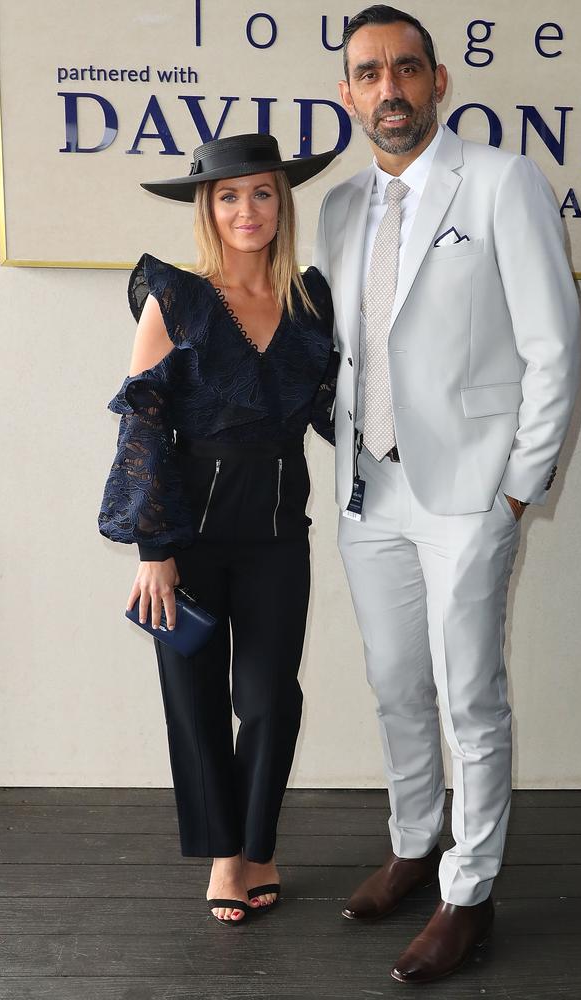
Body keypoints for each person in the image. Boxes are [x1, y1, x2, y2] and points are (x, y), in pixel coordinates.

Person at [314, 4, 580, 984]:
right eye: (368, 72)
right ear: (348, 94)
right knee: (395, 684)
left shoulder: (502, 182)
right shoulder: (341, 207)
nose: (389, 87)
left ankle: (468, 893)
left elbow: (554, 345)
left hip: (470, 492)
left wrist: (516, 490)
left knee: (469, 691)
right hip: (367, 489)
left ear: (436, 83)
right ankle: (414, 841)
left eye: (406, 69)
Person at [98, 133, 338, 926]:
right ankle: (229, 857)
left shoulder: (309, 301)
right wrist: (154, 551)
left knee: (270, 698)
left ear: (282, 202)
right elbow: (142, 427)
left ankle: (258, 839)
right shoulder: (178, 298)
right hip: (189, 537)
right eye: (228, 197)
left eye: (262, 193)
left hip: (277, 535)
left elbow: (340, 412)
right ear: (208, 208)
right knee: (194, 698)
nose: (247, 210)